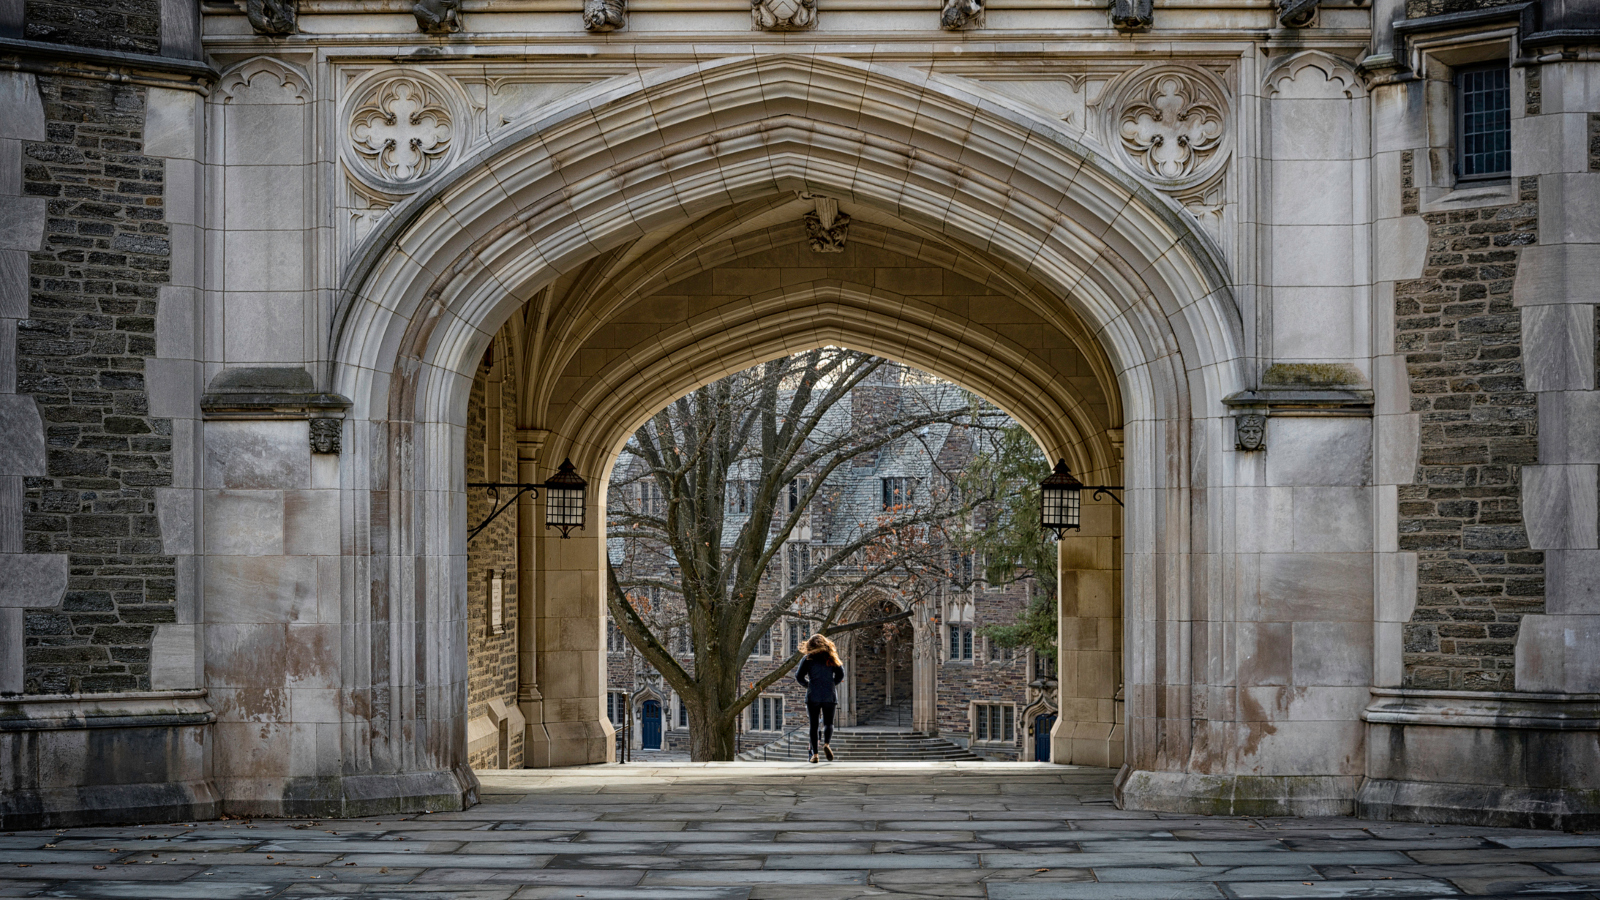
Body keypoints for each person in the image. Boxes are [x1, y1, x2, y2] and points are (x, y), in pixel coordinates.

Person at [795, 633, 844, 763]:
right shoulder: (832, 658)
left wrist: (808, 685)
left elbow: (799, 677)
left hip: (813, 696)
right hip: (829, 695)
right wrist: (831, 684)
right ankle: (827, 744)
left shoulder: (808, 659)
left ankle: (815, 755)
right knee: (829, 723)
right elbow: (840, 675)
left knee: (814, 725)